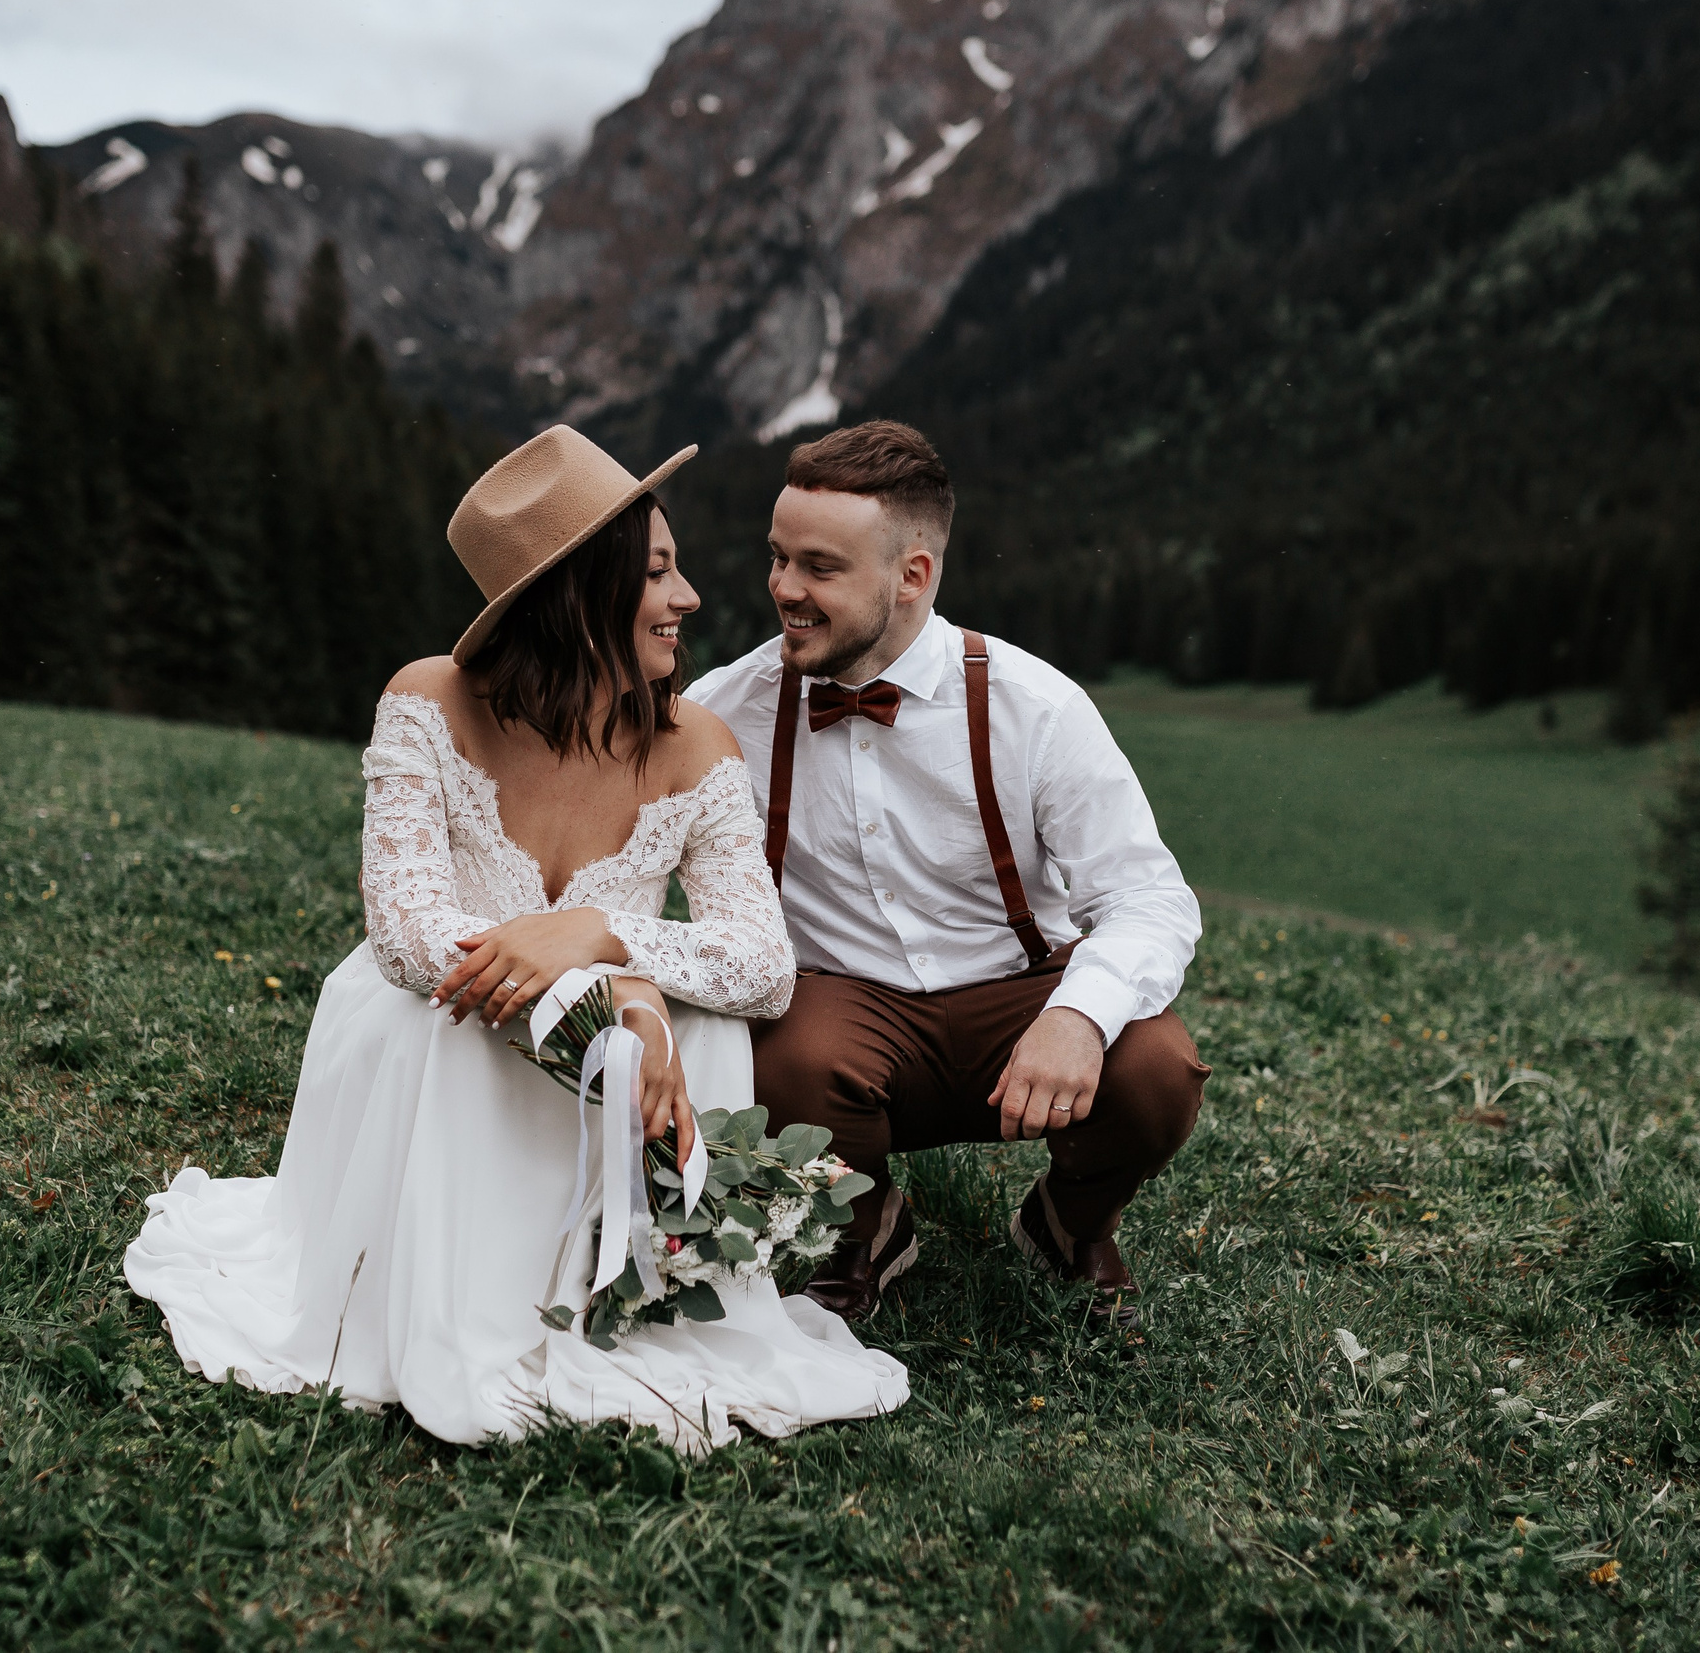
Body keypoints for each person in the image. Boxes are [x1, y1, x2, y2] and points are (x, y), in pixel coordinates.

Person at [124, 425, 907, 1453]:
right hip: (438, 1038)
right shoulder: (426, 703)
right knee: (456, 1012)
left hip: (618, 1052)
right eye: (659, 575)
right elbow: (407, 934)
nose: (690, 602)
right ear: (577, 598)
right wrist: (606, 996)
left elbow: (760, 967)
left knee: (697, 1033)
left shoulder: (692, 745)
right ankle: (462, 1294)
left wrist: (604, 944)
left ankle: (631, 1287)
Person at [684, 420, 1206, 1330]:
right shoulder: (723, 711)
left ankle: (1067, 1223)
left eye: (819, 567)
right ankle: (860, 1228)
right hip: (839, 1017)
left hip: (1020, 1003)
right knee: (782, 1056)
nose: (784, 591)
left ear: (912, 575)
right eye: (776, 559)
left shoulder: (1035, 706)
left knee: (1157, 1069)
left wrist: (1078, 1018)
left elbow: (1148, 897)